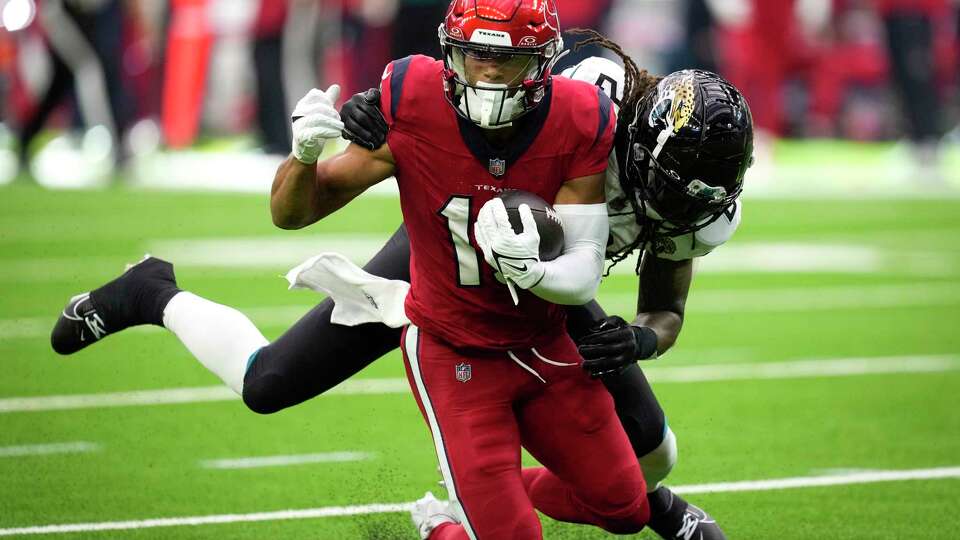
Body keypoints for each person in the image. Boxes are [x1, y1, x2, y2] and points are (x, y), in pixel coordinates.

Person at [50, 18, 751, 540]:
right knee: (267, 384)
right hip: (452, 251)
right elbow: (479, 97)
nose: (683, 209)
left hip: (549, 288)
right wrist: (369, 115)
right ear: (637, 137)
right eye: (672, 187)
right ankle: (152, 291)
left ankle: (611, 505)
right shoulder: (579, 100)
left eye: (699, 198)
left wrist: (641, 339)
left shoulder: (688, 195)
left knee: (654, 456)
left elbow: (667, 308)